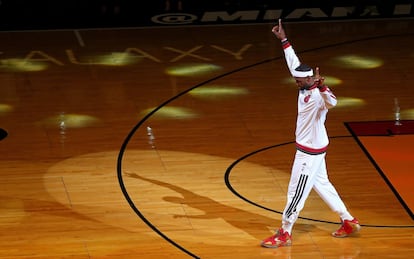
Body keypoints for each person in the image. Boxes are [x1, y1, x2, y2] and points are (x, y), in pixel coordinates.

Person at [261, 19, 360, 248]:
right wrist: (283, 40)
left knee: (296, 193)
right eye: (295, 80)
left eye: (300, 80)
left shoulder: (317, 96)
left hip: (309, 154)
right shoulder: (303, 83)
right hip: (315, 150)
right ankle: (348, 220)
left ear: (310, 79)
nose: (297, 83)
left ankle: (284, 232)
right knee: (323, 185)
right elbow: (293, 62)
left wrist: (323, 87)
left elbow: (333, 102)